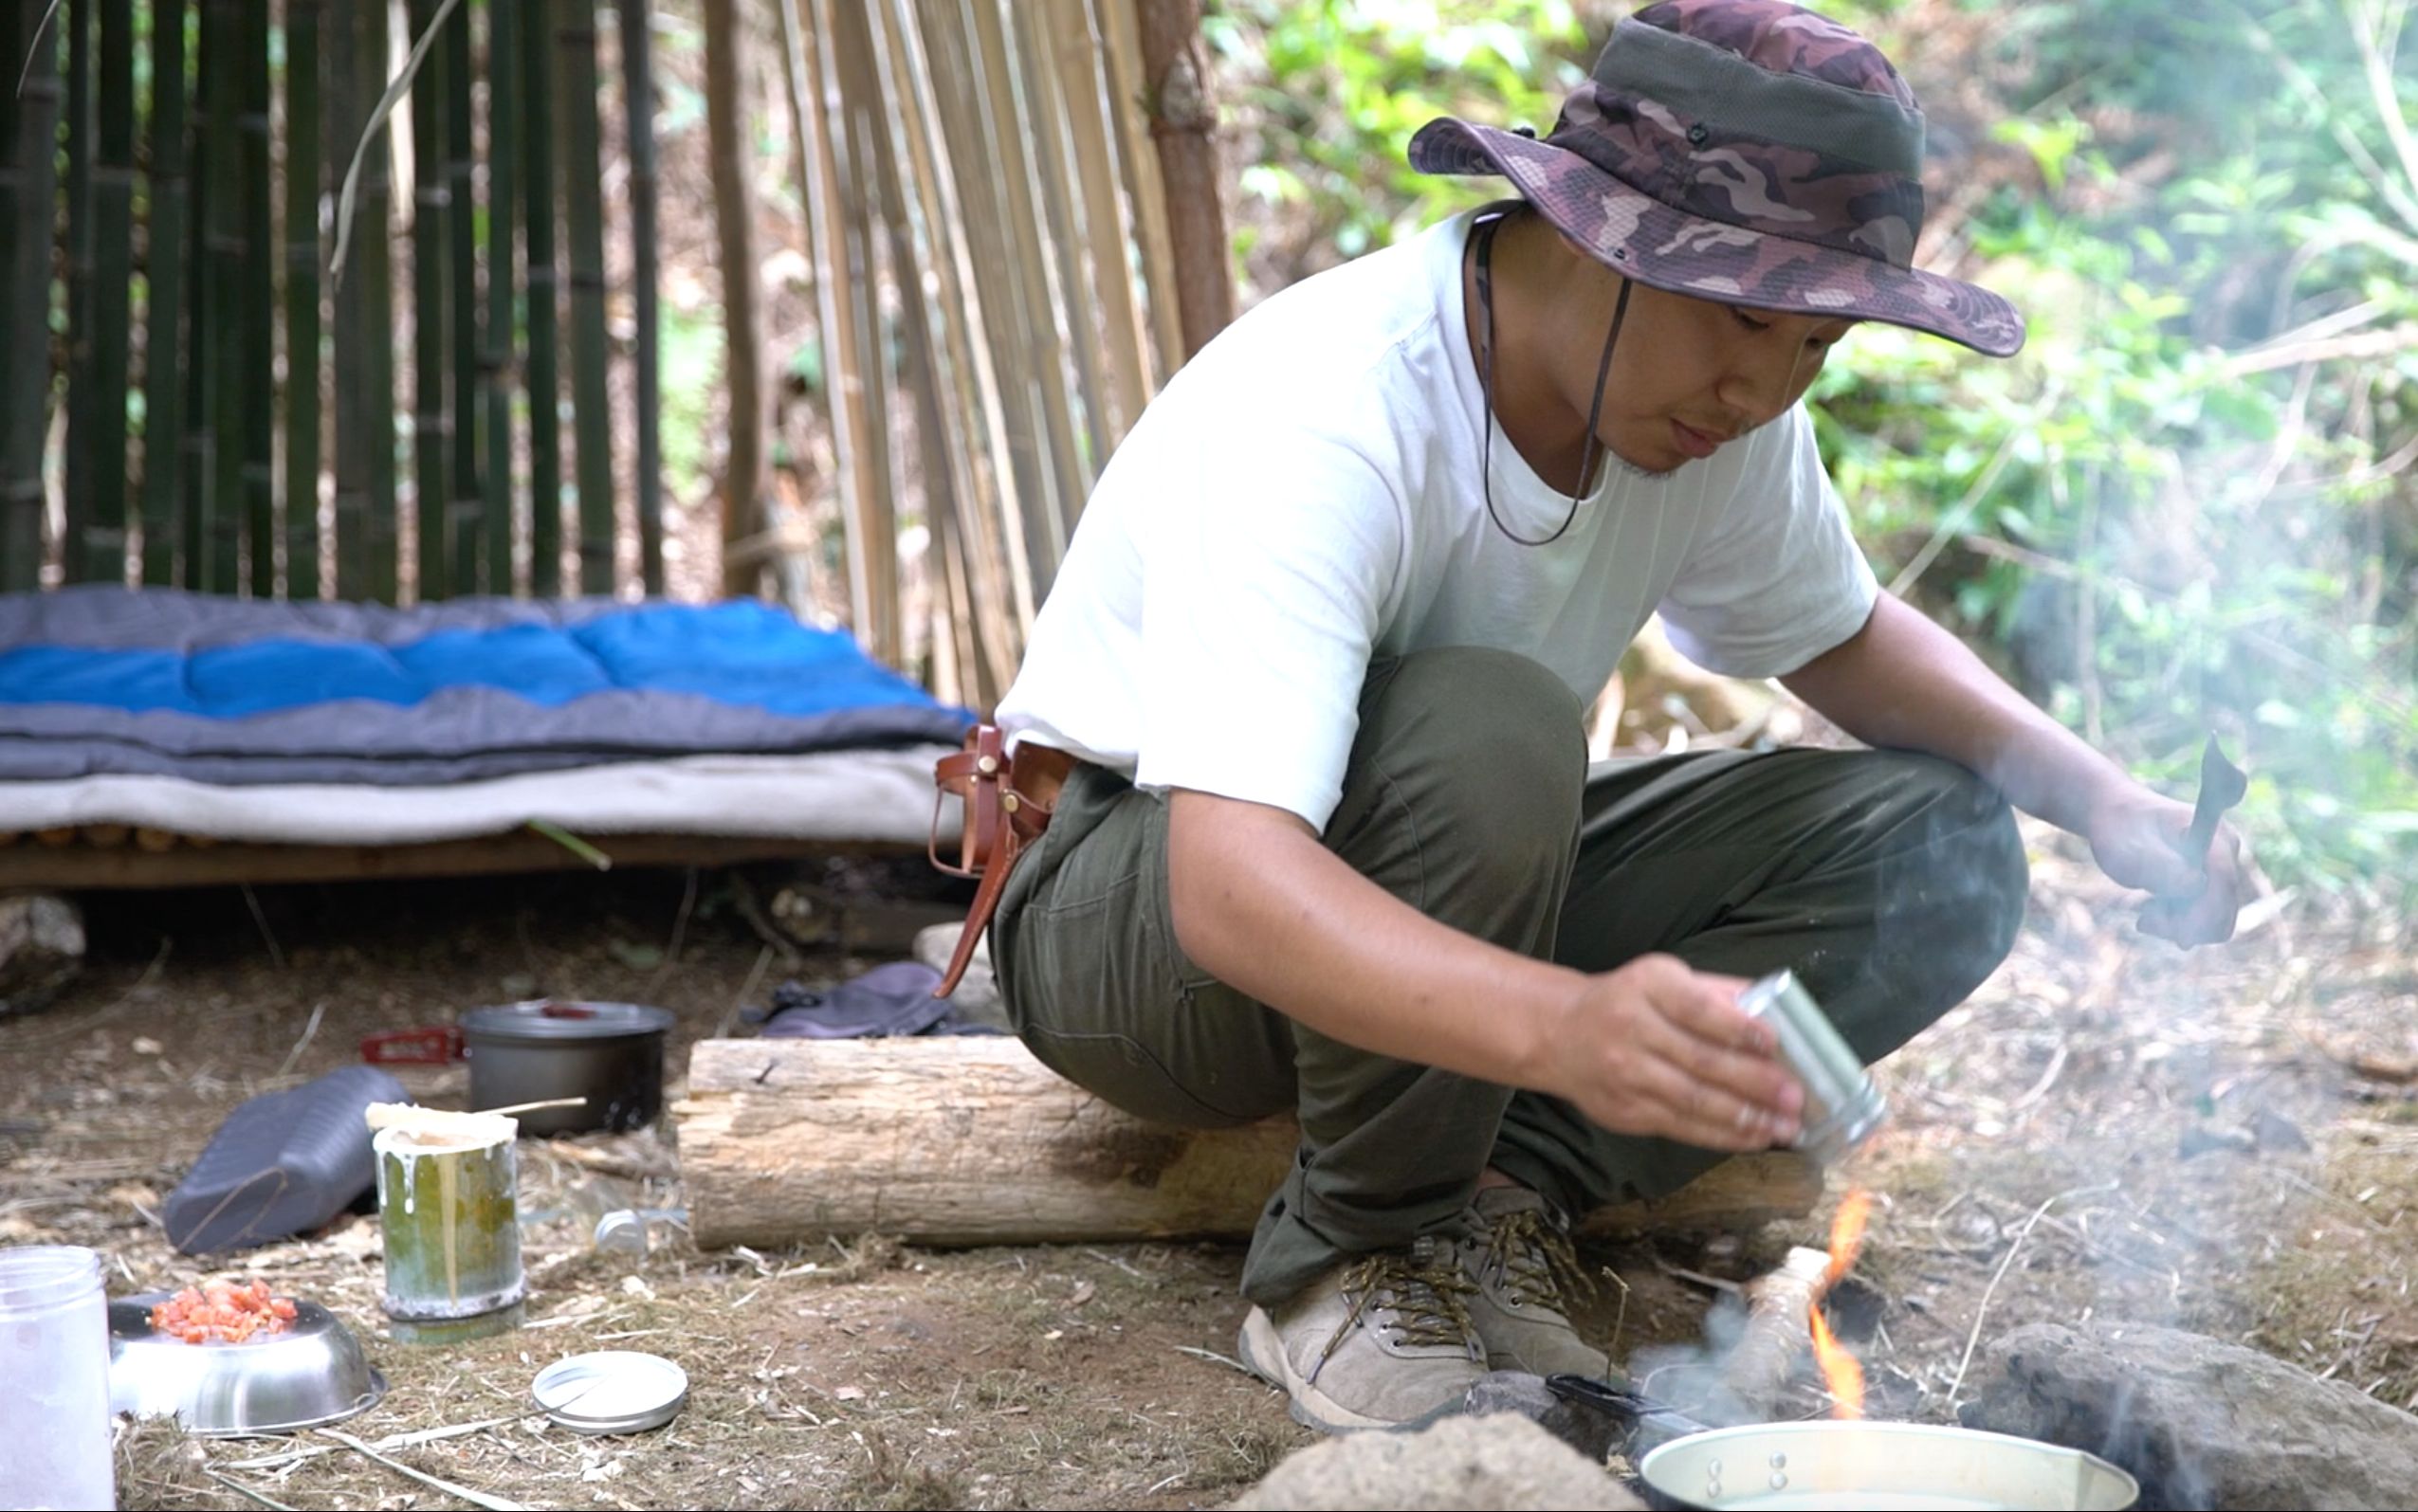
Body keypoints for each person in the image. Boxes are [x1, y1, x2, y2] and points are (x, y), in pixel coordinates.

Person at [955, 0, 2245, 1434]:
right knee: (1491, 724)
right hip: (1129, 931)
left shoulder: (1712, 412)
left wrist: (2109, 806)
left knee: (1932, 838)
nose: (1763, 388)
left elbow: (1841, 638)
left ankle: (1499, 1196)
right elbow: (1231, 892)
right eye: (1744, 317)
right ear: (1585, 234)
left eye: (1815, 344)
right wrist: (1567, 1023)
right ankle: (1349, 1259)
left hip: (1425, 876)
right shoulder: (1329, 410)